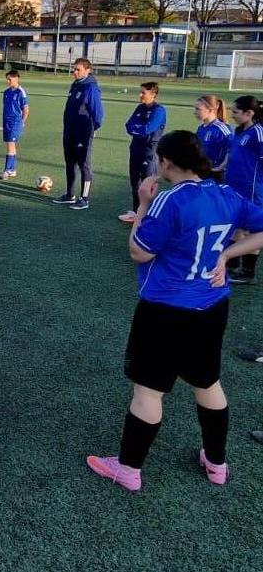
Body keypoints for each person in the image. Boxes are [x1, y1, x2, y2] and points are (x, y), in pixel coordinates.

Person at [87, 130, 263, 492]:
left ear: (166, 162)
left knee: (149, 392)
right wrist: (227, 254)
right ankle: (216, 463)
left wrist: (141, 206)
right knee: (208, 382)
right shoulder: (226, 194)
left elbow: (140, 252)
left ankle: (128, 469)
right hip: (211, 306)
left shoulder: (171, 200)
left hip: (166, 310)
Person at [53, 58, 104, 211]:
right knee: (70, 163)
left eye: (78, 70)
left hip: (82, 133)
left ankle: (84, 198)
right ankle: (70, 195)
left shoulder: (91, 88)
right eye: (74, 69)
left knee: (84, 165)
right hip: (69, 131)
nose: (74, 72)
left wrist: (92, 129)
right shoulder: (75, 85)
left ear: (88, 71)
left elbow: (98, 114)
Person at [223, 95, 263, 284]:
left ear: (249, 113)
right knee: (236, 226)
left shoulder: (258, 133)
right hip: (235, 188)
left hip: (252, 191)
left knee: (252, 230)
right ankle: (230, 266)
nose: (232, 115)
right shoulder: (240, 131)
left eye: (236, 112)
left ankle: (247, 272)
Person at [118, 82, 167, 224]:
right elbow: (128, 125)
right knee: (135, 181)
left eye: (143, 93)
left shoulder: (159, 110)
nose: (140, 95)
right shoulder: (140, 108)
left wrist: (137, 129)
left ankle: (149, 215)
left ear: (153, 94)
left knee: (148, 182)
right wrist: (138, 129)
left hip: (149, 150)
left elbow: (148, 129)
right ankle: (136, 212)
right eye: (140, 92)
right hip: (135, 147)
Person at [194, 95, 231, 183]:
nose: (194, 112)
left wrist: (221, 166)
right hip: (201, 171)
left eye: (198, 109)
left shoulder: (222, 129)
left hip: (215, 174)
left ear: (210, 110)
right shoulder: (201, 128)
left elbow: (233, 149)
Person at [0, 70, 29, 179]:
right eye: (7, 79)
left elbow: (26, 109)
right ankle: (13, 170)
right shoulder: (6, 92)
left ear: (16, 78)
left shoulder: (21, 92)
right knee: (11, 146)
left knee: (10, 146)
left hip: (15, 122)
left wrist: (22, 122)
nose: (8, 81)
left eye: (10, 79)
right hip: (6, 121)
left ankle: (7, 171)